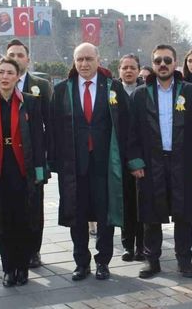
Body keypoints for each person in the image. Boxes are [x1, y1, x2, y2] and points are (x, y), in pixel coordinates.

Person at [49, 43, 129, 281]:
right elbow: (53, 128)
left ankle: (103, 261)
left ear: (98, 60)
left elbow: (126, 123)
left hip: (105, 163)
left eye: (88, 59)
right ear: (74, 62)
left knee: (105, 214)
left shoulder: (112, 88)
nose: (84, 64)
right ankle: (81, 262)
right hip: (74, 165)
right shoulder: (63, 89)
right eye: (79, 60)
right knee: (78, 214)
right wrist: (53, 162)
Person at [128, 44, 192, 279]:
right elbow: (131, 131)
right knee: (150, 214)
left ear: (175, 63)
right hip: (152, 162)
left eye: (167, 60)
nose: (162, 65)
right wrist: (135, 162)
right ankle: (151, 260)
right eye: (157, 61)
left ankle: (184, 260)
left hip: (182, 161)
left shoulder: (190, 92)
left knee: (184, 213)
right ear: (152, 65)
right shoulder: (141, 94)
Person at [0, 58, 46, 287]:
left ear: (18, 76)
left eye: (10, 72)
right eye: (1, 72)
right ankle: (8, 268)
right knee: (2, 222)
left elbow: (38, 138)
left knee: (24, 220)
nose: (5, 76)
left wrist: (39, 170)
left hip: (23, 170)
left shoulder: (30, 103)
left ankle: (22, 266)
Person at [0, 39, 52, 268]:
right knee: (6, 211)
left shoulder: (40, 87)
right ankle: (10, 260)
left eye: (19, 55)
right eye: (11, 55)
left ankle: (33, 251)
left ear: (27, 59)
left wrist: (44, 159)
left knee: (33, 208)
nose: (15, 58)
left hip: (30, 158)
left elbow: (46, 125)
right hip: (3, 161)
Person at [117, 54, 145, 262]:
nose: (128, 71)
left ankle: (142, 245)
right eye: (125, 67)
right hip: (119, 154)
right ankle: (127, 245)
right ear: (120, 70)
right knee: (126, 202)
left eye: (132, 67)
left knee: (143, 202)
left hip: (143, 156)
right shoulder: (113, 92)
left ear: (138, 70)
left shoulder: (145, 92)